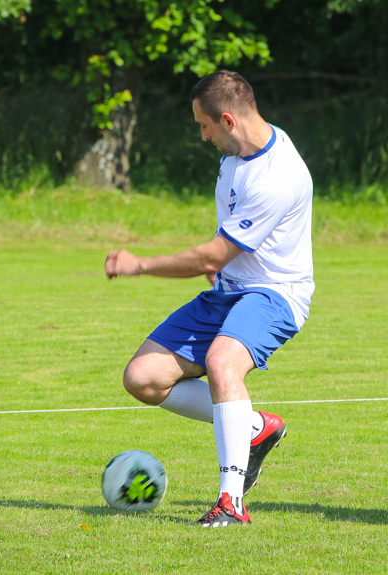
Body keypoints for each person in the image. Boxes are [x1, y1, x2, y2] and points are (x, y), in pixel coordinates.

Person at [104, 70, 314, 528]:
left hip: (276, 294)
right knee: (142, 378)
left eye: (204, 126)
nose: (203, 137)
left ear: (227, 119)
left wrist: (140, 264)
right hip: (228, 292)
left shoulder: (277, 176)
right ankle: (256, 429)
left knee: (222, 363)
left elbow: (214, 254)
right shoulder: (237, 155)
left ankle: (230, 503)